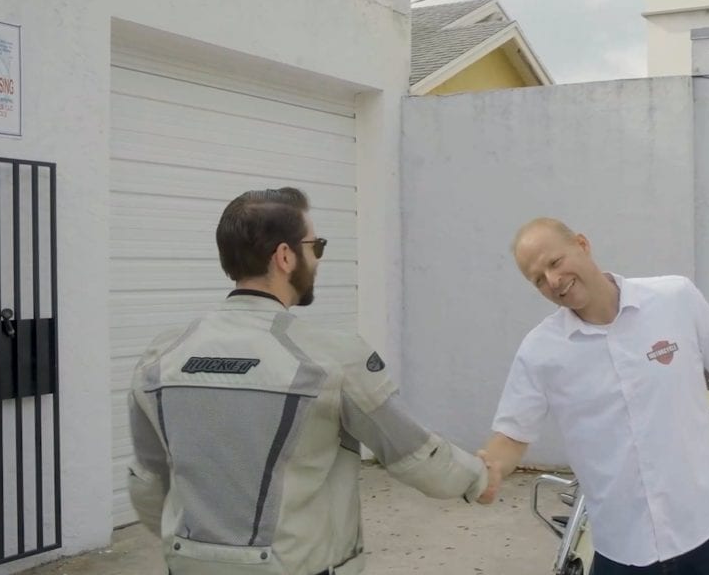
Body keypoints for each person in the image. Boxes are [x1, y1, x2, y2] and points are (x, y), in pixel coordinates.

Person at [128, 187, 499, 575]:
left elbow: (148, 481)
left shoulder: (162, 355)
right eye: (315, 246)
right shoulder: (332, 357)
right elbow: (412, 453)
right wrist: (478, 478)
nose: (318, 259)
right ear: (285, 257)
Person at [478, 217, 709, 575]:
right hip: (623, 546)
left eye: (554, 262)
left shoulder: (675, 298)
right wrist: (491, 468)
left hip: (707, 528)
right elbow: (513, 434)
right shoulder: (540, 352)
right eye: (538, 280)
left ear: (582, 244)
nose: (552, 281)